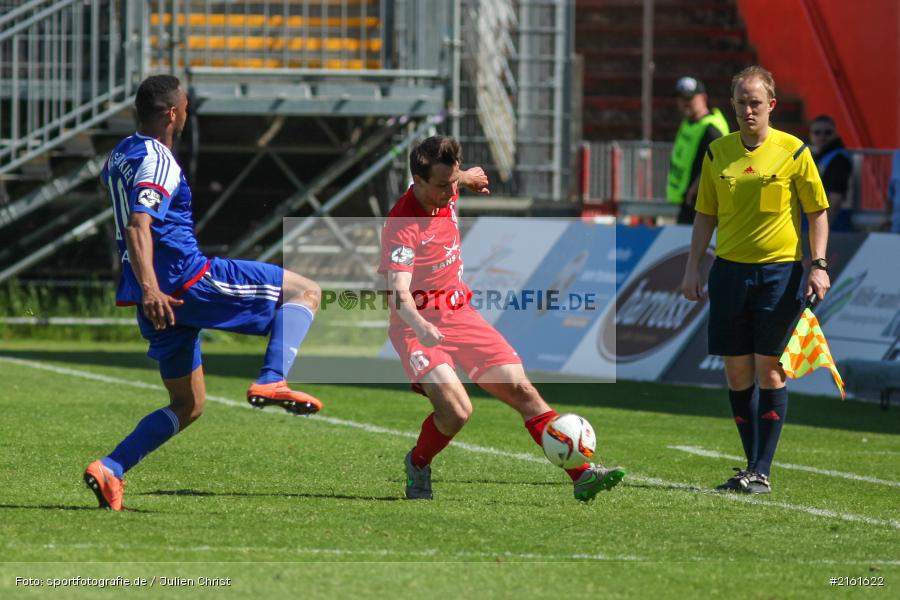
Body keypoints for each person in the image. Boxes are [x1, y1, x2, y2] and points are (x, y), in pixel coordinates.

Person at [84, 75, 323, 511]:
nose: (189, 113)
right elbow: (139, 225)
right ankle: (272, 379)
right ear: (173, 112)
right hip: (185, 283)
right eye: (187, 106)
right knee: (306, 291)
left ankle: (111, 468)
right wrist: (154, 285)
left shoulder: (119, 154)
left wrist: (147, 286)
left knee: (188, 404)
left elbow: (115, 193)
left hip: (151, 296)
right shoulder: (159, 160)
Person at [379, 135, 624, 502]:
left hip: (459, 313)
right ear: (418, 181)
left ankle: (581, 474)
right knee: (458, 411)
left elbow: (455, 179)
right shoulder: (403, 225)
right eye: (442, 186)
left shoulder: (446, 184)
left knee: (522, 389)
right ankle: (418, 462)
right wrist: (420, 326)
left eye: (453, 182)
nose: (449, 192)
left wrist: (470, 177)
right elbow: (398, 292)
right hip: (416, 325)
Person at [680, 66, 830, 494]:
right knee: (736, 373)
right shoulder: (718, 153)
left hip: (778, 274)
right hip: (728, 273)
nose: (748, 110)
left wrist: (816, 265)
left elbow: (817, 211)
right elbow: (705, 213)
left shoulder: (794, 151)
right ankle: (751, 465)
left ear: (771, 106)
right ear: (732, 105)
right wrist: (694, 266)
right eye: (742, 102)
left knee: (770, 370)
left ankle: (761, 471)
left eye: (756, 103)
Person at [666, 76, 730, 224]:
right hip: (688, 203)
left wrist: (695, 189)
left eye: (689, 98)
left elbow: (718, 164)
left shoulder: (711, 129)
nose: (684, 103)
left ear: (703, 98)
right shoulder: (689, 123)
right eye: (681, 99)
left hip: (701, 204)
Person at [808, 115, 853, 231]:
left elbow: (836, 197)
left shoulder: (839, 160)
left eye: (827, 132)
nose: (822, 136)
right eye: (817, 132)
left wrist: (822, 228)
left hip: (833, 219)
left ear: (835, 133)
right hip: (818, 216)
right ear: (811, 135)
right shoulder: (819, 156)